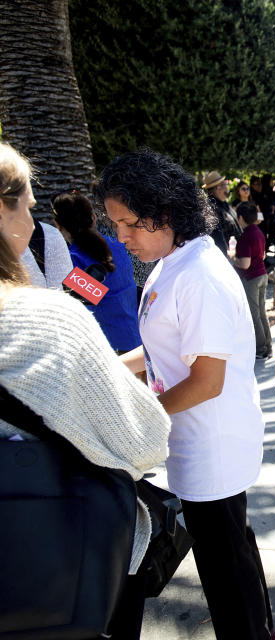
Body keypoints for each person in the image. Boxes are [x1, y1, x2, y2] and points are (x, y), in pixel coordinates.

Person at [97, 150, 275, 640]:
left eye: (130, 224)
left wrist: (140, 415)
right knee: (233, 549)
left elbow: (206, 381)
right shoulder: (172, 260)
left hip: (211, 447)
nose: (122, 238)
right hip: (193, 443)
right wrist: (105, 369)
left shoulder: (200, 276)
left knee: (226, 572)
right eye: (116, 225)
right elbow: (159, 350)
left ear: (167, 213)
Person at [0, 142, 171, 640]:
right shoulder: (52, 310)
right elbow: (142, 440)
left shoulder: (73, 260)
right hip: (56, 569)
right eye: (30, 209)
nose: (34, 225)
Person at [51, 190, 141, 353]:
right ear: (93, 217)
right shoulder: (118, 245)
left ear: (58, 225)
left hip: (108, 349)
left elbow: (81, 309)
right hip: (135, 340)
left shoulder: (72, 260)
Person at [231, 201, 271, 359]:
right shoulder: (258, 232)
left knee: (254, 315)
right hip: (262, 274)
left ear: (240, 217)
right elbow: (262, 255)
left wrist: (233, 258)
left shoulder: (245, 236)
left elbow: (245, 264)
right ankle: (267, 346)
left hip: (252, 278)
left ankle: (261, 349)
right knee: (262, 313)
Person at [202, 170, 241, 256]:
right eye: (226, 184)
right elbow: (217, 237)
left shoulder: (224, 204)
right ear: (219, 187)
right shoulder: (211, 208)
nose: (228, 187)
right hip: (227, 257)